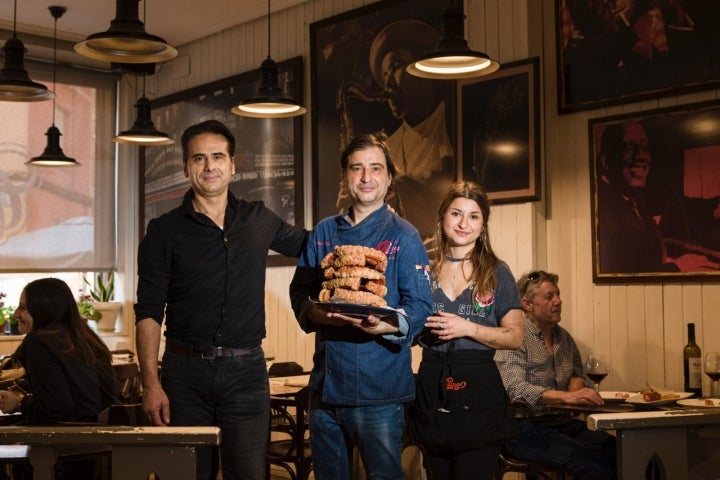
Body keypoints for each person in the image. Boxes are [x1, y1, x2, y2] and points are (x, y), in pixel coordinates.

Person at [134, 119, 307, 480]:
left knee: (249, 474)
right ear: (186, 168)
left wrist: (365, 224)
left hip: (246, 373)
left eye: (217, 157)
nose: (209, 166)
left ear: (232, 164)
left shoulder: (258, 218)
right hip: (184, 374)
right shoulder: (164, 231)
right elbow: (149, 311)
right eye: (199, 158)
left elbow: (312, 246)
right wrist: (150, 382)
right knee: (187, 475)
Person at [289, 131, 433, 480]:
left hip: (380, 391)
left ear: (389, 177)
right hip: (326, 390)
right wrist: (318, 312)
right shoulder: (324, 233)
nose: (366, 177)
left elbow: (421, 307)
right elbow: (301, 292)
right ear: (346, 176)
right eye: (357, 168)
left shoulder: (405, 236)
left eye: (375, 168)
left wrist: (386, 325)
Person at [409, 181, 523, 480]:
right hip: (433, 386)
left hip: (479, 391)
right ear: (442, 217)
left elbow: (515, 336)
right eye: (456, 213)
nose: (463, 223)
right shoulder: (423, 268)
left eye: (473, 216)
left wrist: (467, 328)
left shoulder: (497, 271)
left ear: (483, 225)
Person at [335, 19, 455, 244]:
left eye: (395, 66)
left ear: (420, 65)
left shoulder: (454, 121)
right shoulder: (386, 148)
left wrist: (398, 185)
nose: (387, 81)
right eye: (384, 74)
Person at [494, 270, 617, 480]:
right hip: (522, 427)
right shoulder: (515, 337)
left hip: (561, 422)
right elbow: (514, 388)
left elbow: (577, 374)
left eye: (558, 295)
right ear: (527, 304)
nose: (558, 301)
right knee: (589, 463)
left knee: (617, 450)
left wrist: (577, 390)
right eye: (549, 297)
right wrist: (566, 397)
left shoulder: (564, 338)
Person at [0, 277, 120, 479]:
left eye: (23, 308)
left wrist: (20, 403)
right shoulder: (86, 338)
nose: (15, 314)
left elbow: (57, 410)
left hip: (67, 451)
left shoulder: (38, 342)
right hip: (100, 449)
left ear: (44, 310)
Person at [597, 120, 719, 273]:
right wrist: (676, 268)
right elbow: (618, 277)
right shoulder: (601, 211)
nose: (641, 156)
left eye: (644, 146)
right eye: (627, 146)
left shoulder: (631, 196)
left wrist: (714, 208)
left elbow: (676, 208)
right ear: (606, 161)